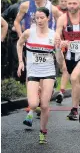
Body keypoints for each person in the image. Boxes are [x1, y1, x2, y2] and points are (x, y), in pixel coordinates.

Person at [16, 7, 60, 144]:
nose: (39, 20)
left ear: (48, 18)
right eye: (37, 18)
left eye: (42, 18)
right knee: (34, 103)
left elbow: (59, 58)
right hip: (33, 72)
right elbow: (19, 44)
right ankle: (38, 95)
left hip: (48, 72)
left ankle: (43, 132)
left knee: (45, 105)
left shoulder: (54, 36)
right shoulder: (29, 33)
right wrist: (20, 62)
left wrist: (59, 50)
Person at [55, 0, 71, 103]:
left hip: (67, 43)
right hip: (53, 43)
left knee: (65, 68)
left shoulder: (73, 12)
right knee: (55, 67)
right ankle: (53, 83)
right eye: (62, 1)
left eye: (66, 1)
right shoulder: (54, 10)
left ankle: (61, 91)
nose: (64, 3)